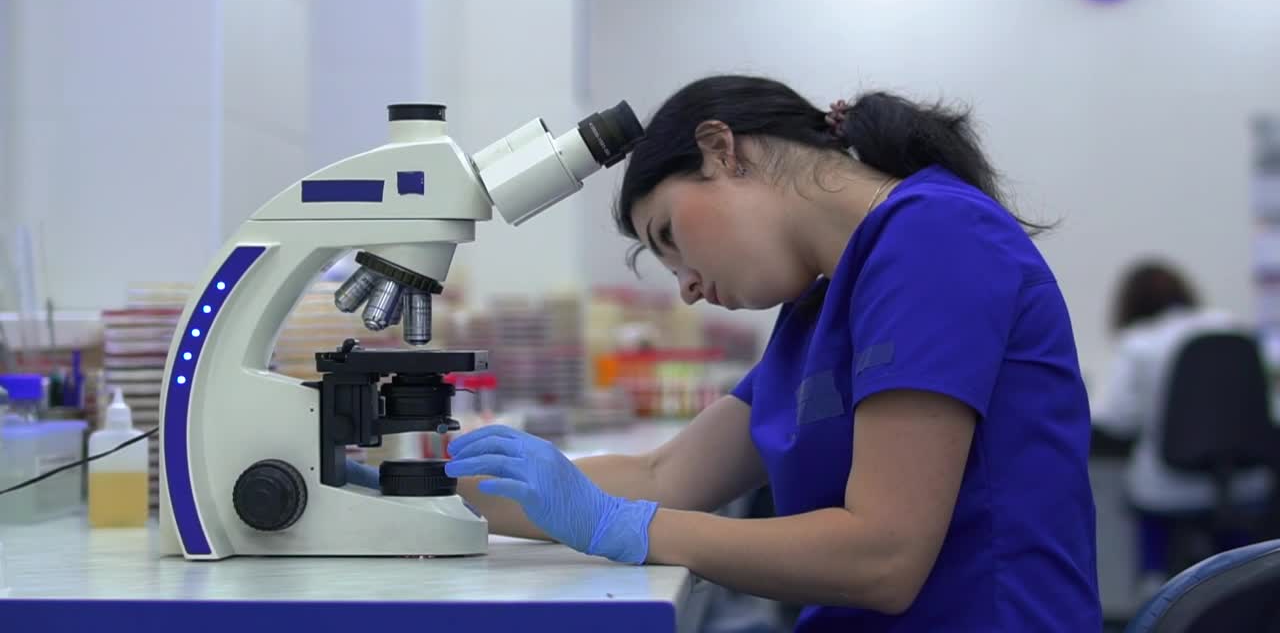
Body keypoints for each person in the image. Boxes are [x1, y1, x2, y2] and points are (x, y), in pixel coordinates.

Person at [356, 75, 1102, 630]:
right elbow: (667, 473)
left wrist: (623, 529)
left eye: (670, 238)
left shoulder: (934, 240)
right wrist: (406, 490)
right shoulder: (821, 305)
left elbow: (884, 556)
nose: (683, 288)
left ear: (721, 151)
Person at [1091, 260, 1274, 587]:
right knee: (1243, 583)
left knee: (1141, 506)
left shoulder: (1139, 343)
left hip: (1167, 490)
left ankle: (1153, 583)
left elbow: (1117, 419)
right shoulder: (1235, 329)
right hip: (1246, 485)